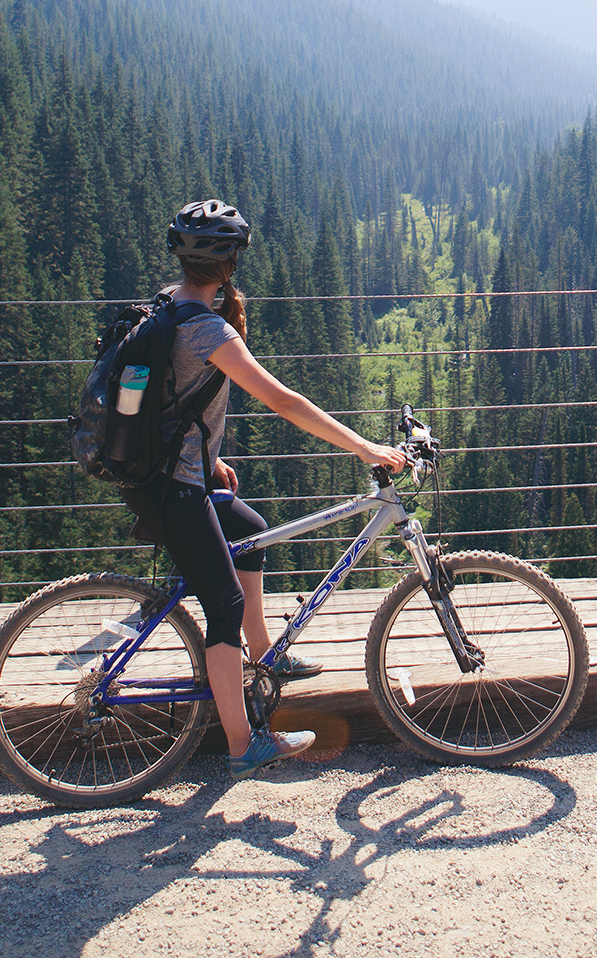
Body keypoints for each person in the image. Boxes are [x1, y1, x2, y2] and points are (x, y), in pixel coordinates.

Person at [157, 198, 406, 780]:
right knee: (224, 607)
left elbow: (171, 399)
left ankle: (266, 657)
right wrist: (365, 449)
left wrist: (209, 461)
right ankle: (245, 745)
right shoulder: (207, 330)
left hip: (176, 473)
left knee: (251, 531)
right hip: (174, 489)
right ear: (230, 262)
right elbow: (284, 402)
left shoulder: (168, 303)